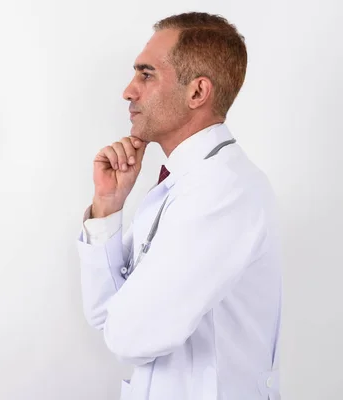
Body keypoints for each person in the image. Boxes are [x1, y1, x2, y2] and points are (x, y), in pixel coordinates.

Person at [76, 12, 282, 400]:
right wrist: (108, 205)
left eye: (146, 74)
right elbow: (104, 315)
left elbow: (128, 338)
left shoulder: (224, 191)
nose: (128, 91)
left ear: (197, 93)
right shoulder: (184, 184)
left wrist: (125, 314)